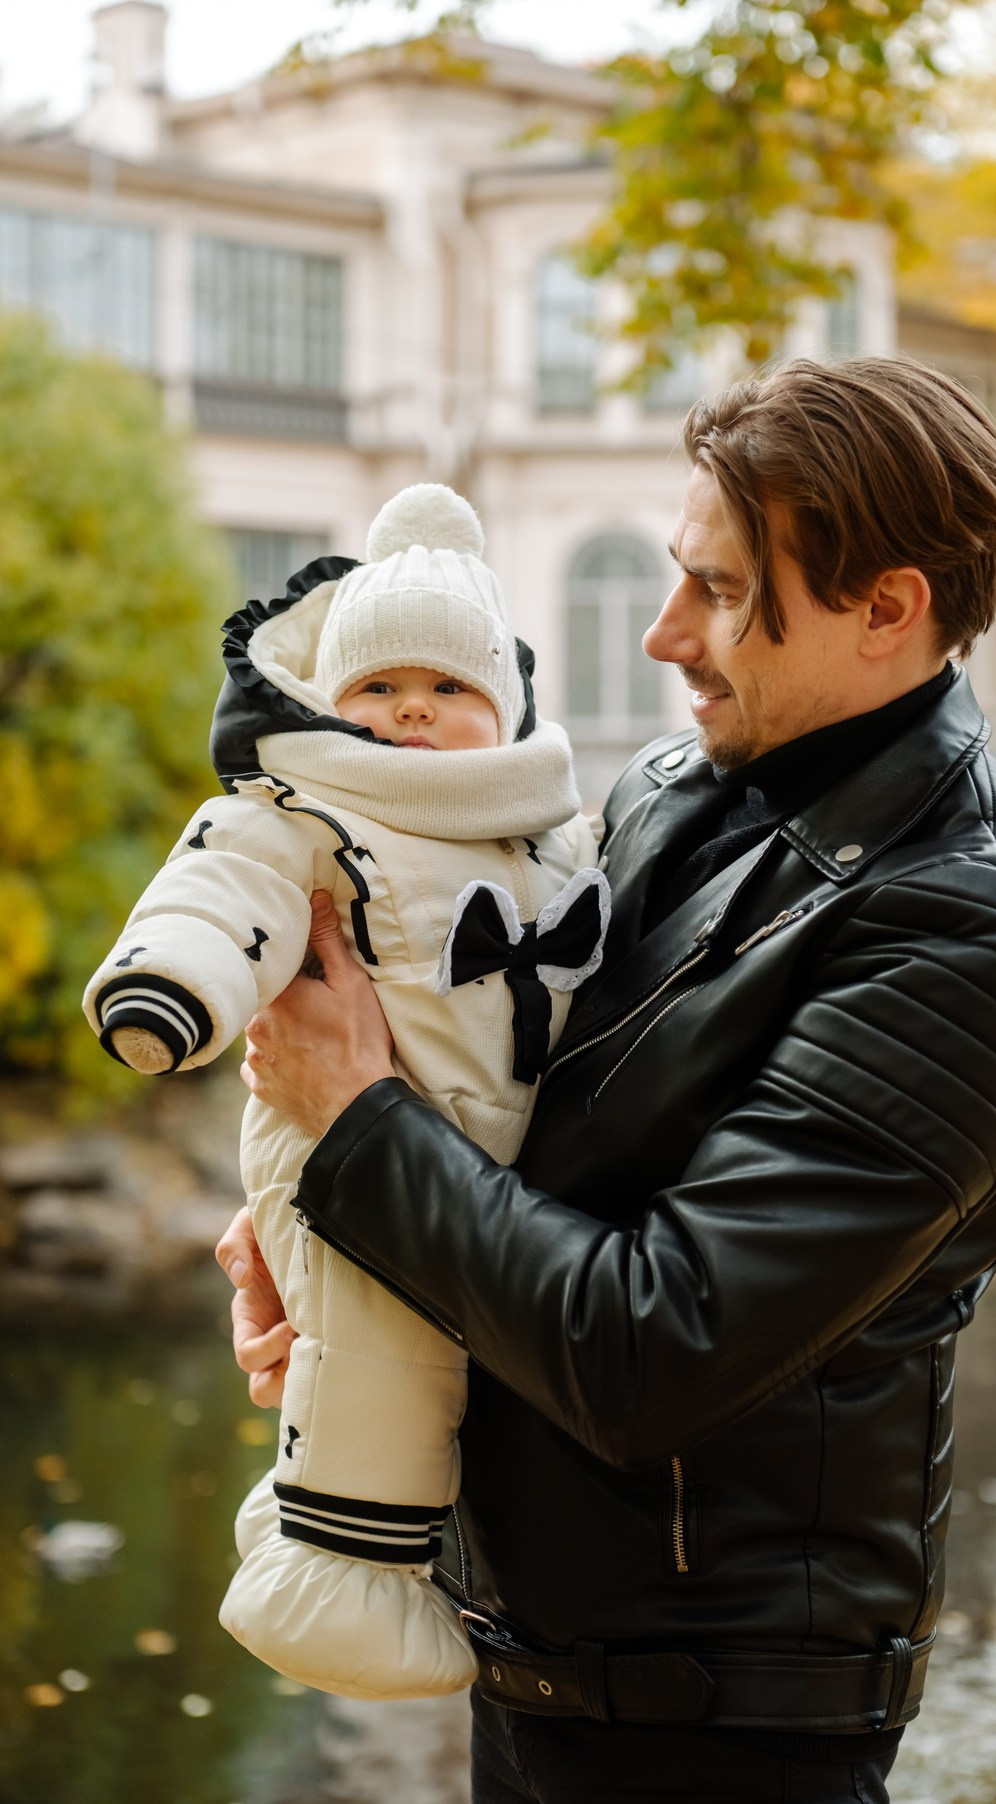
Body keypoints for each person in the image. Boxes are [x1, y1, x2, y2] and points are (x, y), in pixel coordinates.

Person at [218, 357, 996, 1804]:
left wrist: (359, 1127)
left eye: (725, 590)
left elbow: (648, 1347)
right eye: (679, 572)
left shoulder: (970, 929)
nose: (661, 631)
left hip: (721, 1740)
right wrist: (318, 1249)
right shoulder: (669, 792)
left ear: (891, 609)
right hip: (537, 1675)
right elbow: (509, 1130)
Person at [83, 484, 607, 1701]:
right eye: (375, 691)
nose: (411, 714)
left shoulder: (551, 837)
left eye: (448, 691)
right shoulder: (309, 815)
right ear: (329, 707)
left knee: (435, 1363)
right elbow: (224, 891)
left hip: (479, 1172)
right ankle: (332, 1576)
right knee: (377, 1351)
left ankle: (371, 1533)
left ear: (510, 707)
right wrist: (176, 985)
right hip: (342, 1147)